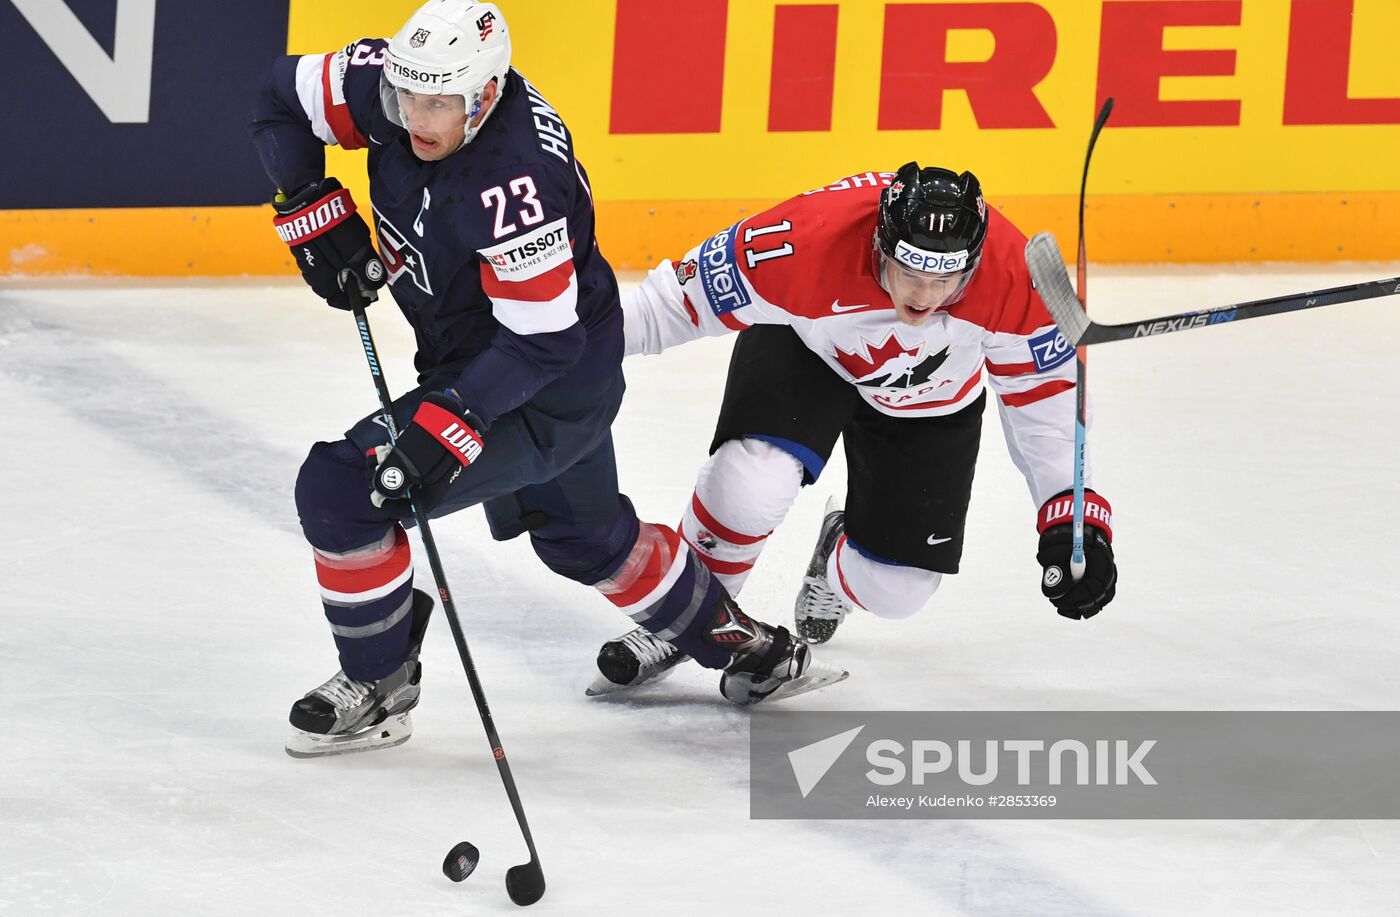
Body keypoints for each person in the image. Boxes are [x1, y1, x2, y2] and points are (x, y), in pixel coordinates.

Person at [248, 0, 835, 756]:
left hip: (545, 388)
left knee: (343, 491)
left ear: (486, 97)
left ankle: (378, 679)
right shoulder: (391, 86)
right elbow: (277, 97)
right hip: (511, 362)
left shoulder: (514, 181)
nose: (414, 118)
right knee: (583, 537)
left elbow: (541, 342)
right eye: (404, 97)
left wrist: (452, 420)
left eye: (438, 104)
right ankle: (747, 648)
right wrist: (309, 207)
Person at [595, 163, 1118, 683]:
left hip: (928, 399)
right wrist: (556, 352)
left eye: (945, 280)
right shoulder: (801, 241)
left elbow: (1045, 400)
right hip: (807, 351)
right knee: (748, 485)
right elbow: (665, 306)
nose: (925, 296)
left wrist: (1072, 517)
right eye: (910, 273)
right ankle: (682, 622)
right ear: (879, 246)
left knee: (896, 591)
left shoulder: (1015, 279)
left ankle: (835, 563)